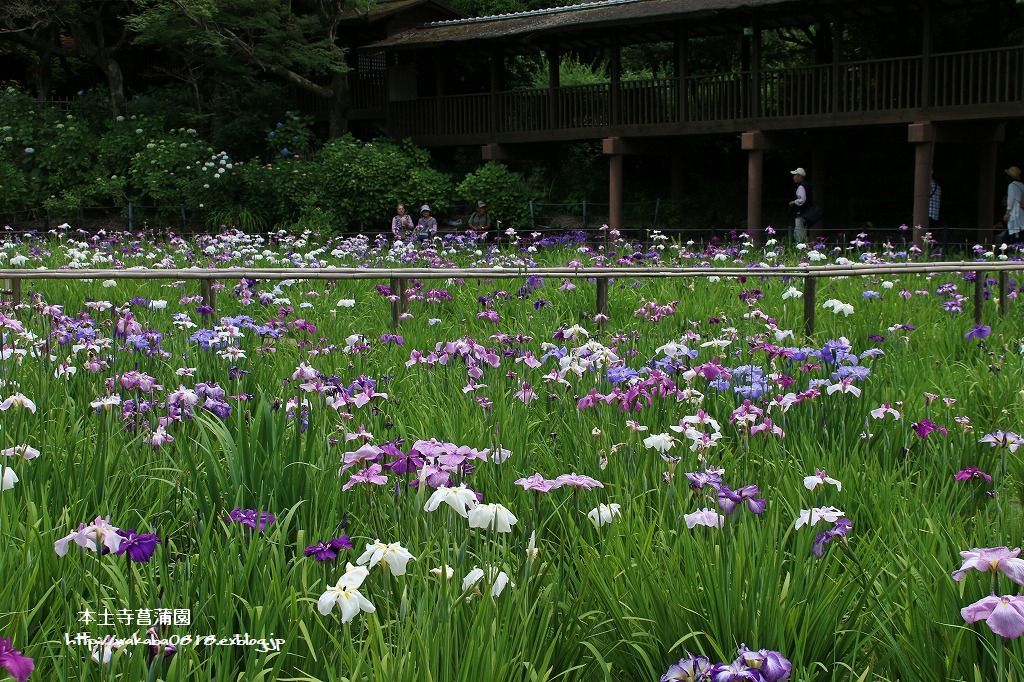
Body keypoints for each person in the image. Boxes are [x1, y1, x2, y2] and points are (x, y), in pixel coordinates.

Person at [788, 167, 821, 242]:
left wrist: (793, 202)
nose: (793, 177)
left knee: (799, 235)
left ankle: (801, 250)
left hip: (801, 214)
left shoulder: (801, 187)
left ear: (799, 176)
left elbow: (802, 200)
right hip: (806, 214)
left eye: (795, 175)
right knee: (802, 233)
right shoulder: (807, 185)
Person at [1003, 166, 1023, 242]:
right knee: (1020, 235)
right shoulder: (1022, 185)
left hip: (1015, 212)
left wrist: (1007, 213)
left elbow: (1010, 201)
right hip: (1021, 213)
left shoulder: (1012, 186)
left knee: (1007, 236)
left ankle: (1000, 252)